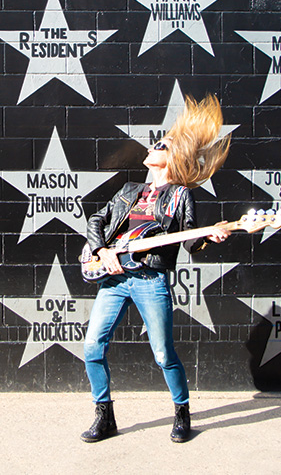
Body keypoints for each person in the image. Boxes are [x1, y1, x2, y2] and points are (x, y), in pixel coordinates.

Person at [81, 94, 232, 443]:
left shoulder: (180, 195)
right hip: (115, 278)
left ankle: (182, 413)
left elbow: (189, 240)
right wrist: (101, 250)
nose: (153, 146)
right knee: (92, 347)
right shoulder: (129, 190)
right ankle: (104, 417)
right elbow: (96, 220)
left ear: (171, 157)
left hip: (150, 278)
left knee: (164, 353)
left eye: (161, 144)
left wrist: (211, 236)